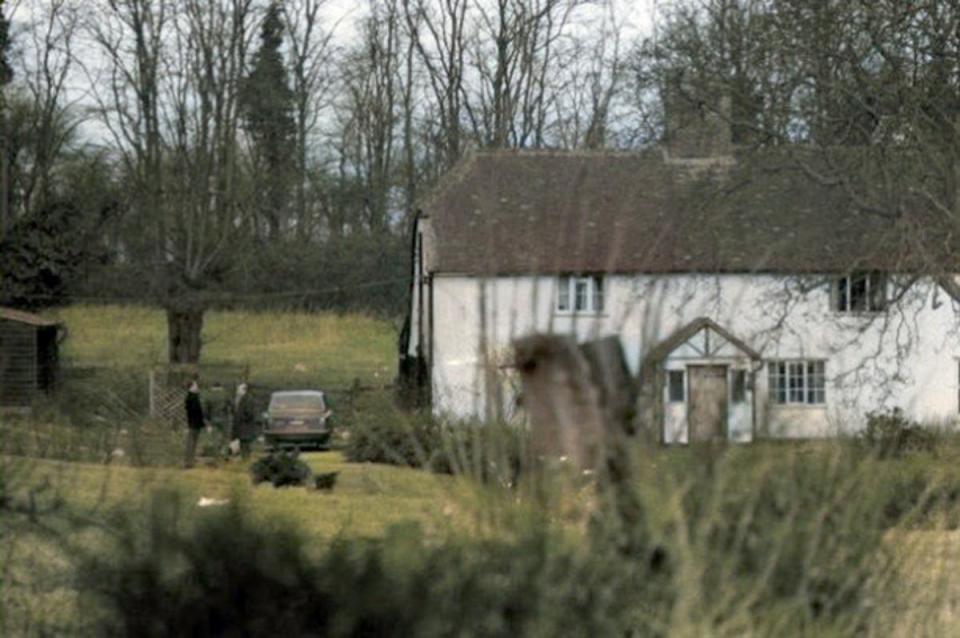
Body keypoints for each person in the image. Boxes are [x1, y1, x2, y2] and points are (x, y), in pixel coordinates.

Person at [203, 380, 233, 457]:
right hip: (224, 418)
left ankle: (216, 455)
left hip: (213, 418)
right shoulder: (226, 394)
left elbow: (205, 410)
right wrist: (231, 413)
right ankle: (224, 452)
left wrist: (208, 421)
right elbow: (232, 405)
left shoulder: (209, 395)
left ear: (213, 387)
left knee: (215, 438)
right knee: (226, 436)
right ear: (220, 387)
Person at [184, 379, 205, 468]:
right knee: (192, 442)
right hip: (194, 423)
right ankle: (189, 461)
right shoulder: (193, 397)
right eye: (195, 385)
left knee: (192, 442)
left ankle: (190, 460)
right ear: (192, 387)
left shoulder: (191, 396)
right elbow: (197, 411)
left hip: (193, 422)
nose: (197, 387)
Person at [231, 382, 257, 459]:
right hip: (242, 425)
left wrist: (241, 418)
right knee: (243, 443)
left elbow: (249, 413)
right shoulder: (243, 398)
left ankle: (246, 459)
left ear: (243, 390)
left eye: (238, 389)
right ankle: (244, 458)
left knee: (245, 443)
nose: (237, 391)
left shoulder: (248, 399)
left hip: (245, 425)